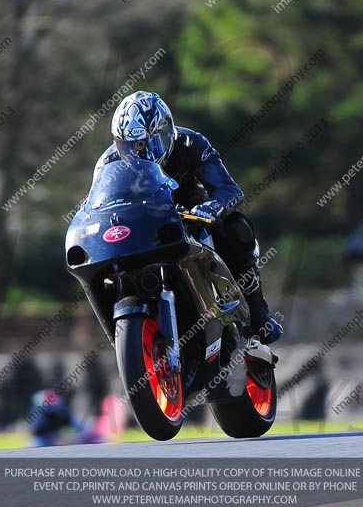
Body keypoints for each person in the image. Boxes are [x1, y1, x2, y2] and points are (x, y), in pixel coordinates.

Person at [96, 91, 283, 346]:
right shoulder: (109, 162)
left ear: (163, 130)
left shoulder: (190, 143)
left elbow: (229, 189)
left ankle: (259, 312)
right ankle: (125, 333)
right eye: (128, 144)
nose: (136, 152)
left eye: (142, 143)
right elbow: (97, 205)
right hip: (143, 231)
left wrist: (212, 207)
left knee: (236, 227)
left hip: (192, 221)